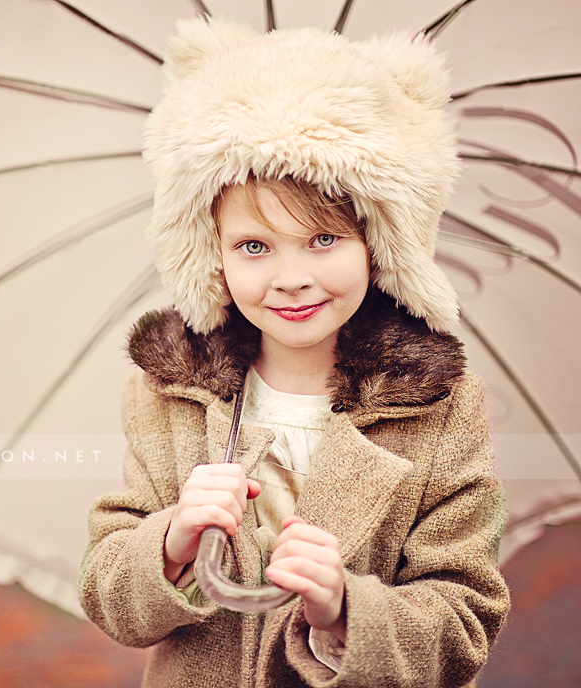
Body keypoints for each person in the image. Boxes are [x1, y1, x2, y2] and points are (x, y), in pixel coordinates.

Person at [78, 18, 510, 688]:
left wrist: (346, 610)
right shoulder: (170, 394)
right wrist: (169, 541)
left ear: (377, 243)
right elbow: (110, 593)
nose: (291, 277)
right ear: (211, 254)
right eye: (255, 246)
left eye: (323, 240)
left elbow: (462, 624)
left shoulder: (438, 410)